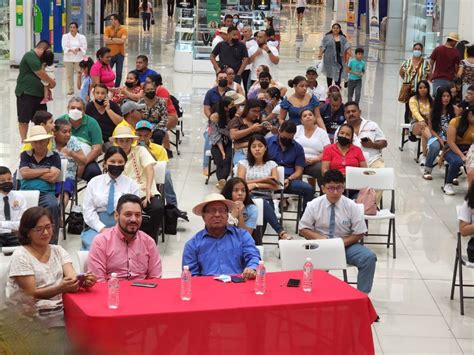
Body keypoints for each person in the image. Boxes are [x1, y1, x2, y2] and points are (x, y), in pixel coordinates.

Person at [6, 207, 96, 323]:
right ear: (27, 232)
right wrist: (60, 288)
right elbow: (30, 293)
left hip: (61, 311)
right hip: (31, 317)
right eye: (39, 229)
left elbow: (71, 276)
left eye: (48, 227)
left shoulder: (58, 250)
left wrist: (82, 281)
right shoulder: (21, 256)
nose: (46, 232)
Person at [299, 169, 376, 294]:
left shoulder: (351, 206)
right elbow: (303, 228)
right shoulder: (314, 205)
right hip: (320, 246)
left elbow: (359, 232)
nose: (335, 192)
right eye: (331, 188)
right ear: (323, 188)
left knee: (368, 258)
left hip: (346, 245)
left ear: (343, 187)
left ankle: (362, 296)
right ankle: (312, 296)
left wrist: (339, 243)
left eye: (339, 188)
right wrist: (320, 239)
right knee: (306, 262)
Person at [182, 193, 260, 278]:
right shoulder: (192, 245)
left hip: (237, 286)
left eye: (222, 210)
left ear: (227, 215)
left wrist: (251, 268)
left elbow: (253, 256)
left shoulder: (242, 236)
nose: (217, 215)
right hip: (207, 289)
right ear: (203, 216)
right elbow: (191, 276)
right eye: (212, 211)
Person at [88, 194, 162, 282]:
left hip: (142, 292)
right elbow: (98, 282)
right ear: (116, 216)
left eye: (138, 215)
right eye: (128, 214)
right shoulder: (101, 242)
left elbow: (156, 279)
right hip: (111, 292)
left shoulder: (148, 242)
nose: (134, 219)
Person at [81, 146, 140, 250]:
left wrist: (120, 230)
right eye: (112, 161)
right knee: (95, 248)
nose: (116, 165)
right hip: (96, 227)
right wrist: (101, 228)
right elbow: (88, 210)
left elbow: (133, 212)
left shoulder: (132, 185)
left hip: (124, 228)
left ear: (125, 164)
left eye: (120, 162)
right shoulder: (94, 182)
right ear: (104, 163)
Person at [113, 126, 163, 242]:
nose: (124, 144)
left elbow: (150, 168)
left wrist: (149, 190)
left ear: (132, 141)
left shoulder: (140, 150)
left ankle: (149, 240)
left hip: (144, 190)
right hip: (123, 193)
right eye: (121, 141)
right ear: (116, 142)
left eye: (127, 140)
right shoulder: (115, 155)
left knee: (157, 208)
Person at [237, 135, 289, 240]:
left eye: (260, 146)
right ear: (249, 149)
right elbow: (240, 183)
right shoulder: (243, 163)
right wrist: (265, 179)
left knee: (263, 206)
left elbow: (276, 185)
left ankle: (257, 244)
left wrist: (255, 185)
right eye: (254, 146)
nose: (257, 149)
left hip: (266, 196)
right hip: (248, 196)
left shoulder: (271, 164)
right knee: (262, 204)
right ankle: (280, 232)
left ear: (265, 147)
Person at [135, 120, 188, 221]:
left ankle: (172, 206)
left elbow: (161, 168)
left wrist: (146, 151)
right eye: (139, 135)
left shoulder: (159, 149)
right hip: (136, 176)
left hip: (152, 175)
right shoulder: (132, 148)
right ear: (135, 134)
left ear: (150, 135)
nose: (142, 138)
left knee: (166, 174)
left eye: (145, 135)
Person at [19, 126, 61, 244]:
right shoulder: (25, 155)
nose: (38, 144)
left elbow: (53, 178)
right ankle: (22, 241)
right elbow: (24, 173)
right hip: (25, 193)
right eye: (35, 142)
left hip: (46, 193)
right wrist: (46, 170)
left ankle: (52, 243)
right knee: (15, 206)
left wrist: (32, 172)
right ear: (31, 143)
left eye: (41, 141)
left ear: (47, 141)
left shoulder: (54, 156)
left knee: (53, 205)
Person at [267, 121, 315, 211]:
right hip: (269, 179)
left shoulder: (298, 148)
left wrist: (289, 179)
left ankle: (304, 221)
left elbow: (299, 171)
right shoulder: (267, 143)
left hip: (288, 180)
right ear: (279, 131)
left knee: (309, 189)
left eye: (290, 138)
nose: (287, 140)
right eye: (284, 137)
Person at [15, 40, 56, 142]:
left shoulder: (41, 59)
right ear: (42, 49)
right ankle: (24, 142)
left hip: (39, 96)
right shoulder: (30, 56)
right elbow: (39, 73)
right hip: (26, 94)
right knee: (24, 120)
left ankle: (41, 141)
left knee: (42, 120)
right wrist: (52, 82)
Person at [59, 97, 103, 182]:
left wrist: (82, 162)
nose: (75, 110)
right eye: (72, 108)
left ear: (84, 111)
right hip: (64, 159)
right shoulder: (60, 121)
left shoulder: (92, 123)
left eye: (79, 108)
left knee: (94, 172)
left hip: (86, 160)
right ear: (68, 109)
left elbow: (97, 148)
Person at [52, 119, 86, 210]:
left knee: (64, 190)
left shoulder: (73, 141)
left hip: (68, 176)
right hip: (50, 175)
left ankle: (60, 216)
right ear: (55, 132)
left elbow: (83, 161)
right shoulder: (49, 142)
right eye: (64, 132)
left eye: (69, 131)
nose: (68, 134)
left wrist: (72, 154)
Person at [341, 101, 387, 170]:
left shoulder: (372, 125)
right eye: (348, 112)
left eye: (354, 111)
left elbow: (384, 143)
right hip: (350, 162)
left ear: (359, 112)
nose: (351, 114)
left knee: (380, 174)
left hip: (373, 160)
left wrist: (372, 144)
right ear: (344, 114)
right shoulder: (341, 130)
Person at [423, 88, 455, 180]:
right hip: (436, 136)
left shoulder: (455, 110)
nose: (446, 98)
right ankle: (427, 170)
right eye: (443, 96)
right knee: (434, 146)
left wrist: (449, 139)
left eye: (448, 96)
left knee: (453, 147)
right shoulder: (433, 111)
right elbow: (431, 128)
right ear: (439, 98)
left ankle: (453, 174)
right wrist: (440, 139)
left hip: (450, 137)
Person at [202, 71, 230, 175]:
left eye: (225, 77)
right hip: (213, 123)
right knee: (209, 138)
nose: (223, 79)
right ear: (216, 79)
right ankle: (206, 165)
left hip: (227, 124)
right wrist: (211, 117)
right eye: (220, 77)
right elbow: (206, 108)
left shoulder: (232, 93)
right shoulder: (210, 93)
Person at [294, 109, 330, 189]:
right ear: (301, 120)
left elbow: (327, 150)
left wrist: (317, 159)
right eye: (305, 116)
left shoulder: (322, 132)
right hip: (297, 162)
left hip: (315, 163)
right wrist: (299, 158)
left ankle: (323, 193)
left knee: (322, 169)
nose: (308, 117)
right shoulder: (296, 129)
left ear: (314, 118)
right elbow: (290, 145)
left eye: (310, 115)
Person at [444, 106, 474, 195]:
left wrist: (469, 152)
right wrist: (462, 155)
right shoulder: (455, 121)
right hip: (453, 149)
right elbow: (450, 142)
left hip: (470, 149)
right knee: (457, 161)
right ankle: (448, 183)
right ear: (470, 114)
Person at [399, 42, 431, 123]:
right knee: (408, 109)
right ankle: (406, 127)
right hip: (408, 90)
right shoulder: (407, 62)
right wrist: (407, 80)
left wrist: (422, 82)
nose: (417, 51)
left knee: (418, 108)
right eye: (415, 49)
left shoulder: (425, 63)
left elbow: (429, 75)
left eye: (419, 49)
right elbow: (401, 73)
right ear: (413, 50)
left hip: (420, 91)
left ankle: (417, 124)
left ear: (422, 50)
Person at [229, 99, 268, 165]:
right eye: (254, 111)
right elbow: (233, 135)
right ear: (247, 110)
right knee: (244, 166)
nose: (256, 114)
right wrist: (251, 129)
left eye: (258, 112)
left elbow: (264, 140)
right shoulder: (238, 120)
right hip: (242, 152)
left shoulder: (259, 121)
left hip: (258, 151)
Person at [210, 96, 235, 189]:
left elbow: (231, 133)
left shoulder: (233, 113)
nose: (234, 106)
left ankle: (222, 182)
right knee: (219, 161)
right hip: (217, 144)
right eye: (231, 105)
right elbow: (215, 136)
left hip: (228, 142)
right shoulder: (215, 117)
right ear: (225, 107)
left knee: (227, 160)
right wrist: (222, 152)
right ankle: (222, 182)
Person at [138, 81, 171, 150]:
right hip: (143, 126)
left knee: (158, 135)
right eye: (148, 90)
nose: (150, 91)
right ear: (144, 91)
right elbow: (137, 117)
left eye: (152, 89)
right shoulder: (140, 102)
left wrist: (153, 129)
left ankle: (156, 152)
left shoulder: (161, 102)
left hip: (158, 127)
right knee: (141, 134)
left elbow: (164, 119)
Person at [318, 23, 351, 87]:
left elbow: (347, 47)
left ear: (340, 29)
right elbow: (322, 46)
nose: (335, 29)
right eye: (334, 28)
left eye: (337, 28)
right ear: (332, 29)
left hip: (340, 59)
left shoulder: (343, 38)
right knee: (329, 73)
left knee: (338, 72)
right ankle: (329, 87)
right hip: (329, 58)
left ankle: (337, 86)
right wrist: (320, 55)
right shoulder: (327, 37)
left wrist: (351, 55)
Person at [0, 167, 26, 248]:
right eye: (3, 181)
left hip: (15, 235)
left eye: (9, 179)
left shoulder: (20, 198)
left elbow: (22, 224)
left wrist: (2, 223)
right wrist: (12, 226)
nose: (7, 182)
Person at [409, 80, 433, 165]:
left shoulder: (431, 100)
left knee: (424, 131)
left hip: (429, 124)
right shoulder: (413, 99)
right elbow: (415, 113)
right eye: (420, 88)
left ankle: (424, 156)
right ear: (417, 89)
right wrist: (422, 120)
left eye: (425, 87)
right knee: (423, 126)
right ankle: (432, 142)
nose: (423, 89)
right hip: (416, 124)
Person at [61, 22, 87, 95]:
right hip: (68, 58)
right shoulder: (65, 36)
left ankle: (81, 88)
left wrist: (79, 49)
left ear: (76, 28)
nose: (72, 29)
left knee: (80, 74)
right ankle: (71, 89)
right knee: (69, 75)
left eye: (73, 27)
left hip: (79, 58)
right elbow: (64, 46)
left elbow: (84, 47)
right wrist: (70, 50)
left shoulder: (82, 37)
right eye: (71, 27)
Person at [104, 14, 128, 87]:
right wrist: (116, 39)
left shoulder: (123, 29)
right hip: (109, 55)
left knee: (119, 73)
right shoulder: (108, 29)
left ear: (116, 20)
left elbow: (122, 41)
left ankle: (116, 88)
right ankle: (107, 86)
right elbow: (106, 40)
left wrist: (111, 39)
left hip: (120, 54)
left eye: (112, 19)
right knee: (107, 72)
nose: (111, 21)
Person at [241, 25, 257, 93]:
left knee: (249, 87)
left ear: (251, 32)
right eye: (243, 32)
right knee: (245, 86)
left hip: (250, 68)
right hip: (243, 68)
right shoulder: (243, 42)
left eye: (246, 31)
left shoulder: (254, 42)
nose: (244, 33)